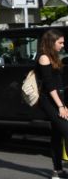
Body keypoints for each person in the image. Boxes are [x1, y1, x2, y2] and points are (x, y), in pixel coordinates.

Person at [36, 29, 68, 179]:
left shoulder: (54, 56)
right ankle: (58, 170)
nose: (63, 45)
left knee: (57, 134)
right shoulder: (44, 58)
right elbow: (49, 86)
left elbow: (58, 83)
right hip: (49, 101)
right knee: (66, 130)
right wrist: (60, 106)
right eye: (60, 42)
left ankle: (57, 171)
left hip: (58, 99)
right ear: (51, 42)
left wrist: (63, 104)